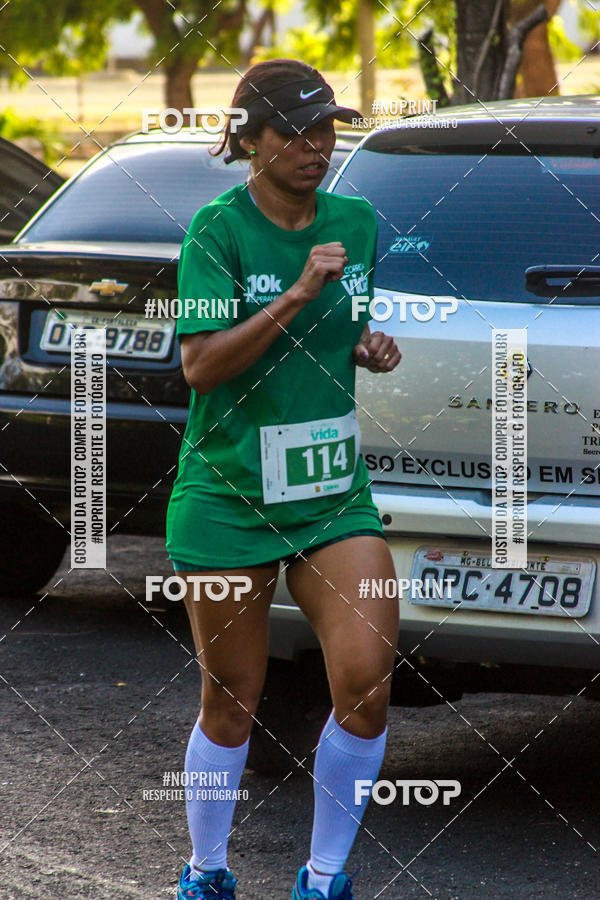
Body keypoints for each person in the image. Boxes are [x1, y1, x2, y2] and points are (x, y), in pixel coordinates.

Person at [166, 58, 402, 900]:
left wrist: (369, 346)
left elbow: (354, 329)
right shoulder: (217, 230)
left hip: (332, 496)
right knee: (232, 703)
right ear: (249, 141)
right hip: (228, 499)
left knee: (368, 687)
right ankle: (206, 870)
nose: (317, 147)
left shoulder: (358, 220)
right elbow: (201, 368)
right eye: (295, 133)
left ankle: (325, 877)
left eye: (326, 128)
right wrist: (298, 293)